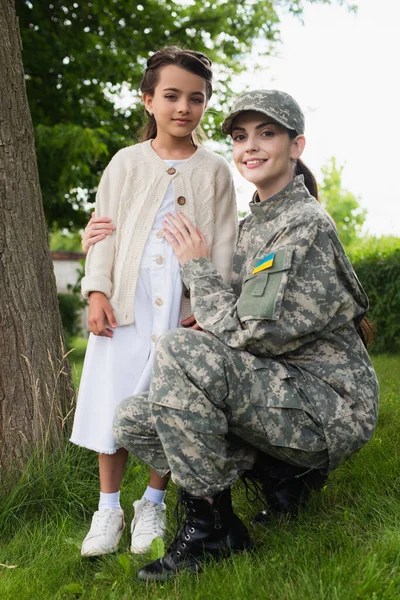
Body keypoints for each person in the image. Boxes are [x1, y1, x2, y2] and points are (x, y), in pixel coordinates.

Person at [111, 89, 379, 581]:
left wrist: (197, 269)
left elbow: (254, 336)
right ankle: (272, 486)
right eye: (239, 136)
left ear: (296, 146)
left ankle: (209, 533)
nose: (249, 146)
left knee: (179, 350)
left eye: (266, 134)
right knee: (133, 418)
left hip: (325, 407)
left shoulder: (303, 225)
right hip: (280, 388)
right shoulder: (259, 220)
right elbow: (238, 314)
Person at [70, 46, 238, 557]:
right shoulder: (125, 163)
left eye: (196, 98)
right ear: (148, 100)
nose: (183, 107)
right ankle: (108, 510)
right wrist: (97, 290)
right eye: (171, 96)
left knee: (163, 404)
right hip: (128, 300)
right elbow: (103, 232)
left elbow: (226, 245)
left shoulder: (215, 171)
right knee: (114, 401)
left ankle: (153, 503)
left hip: (180, 309)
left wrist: (208, 305)